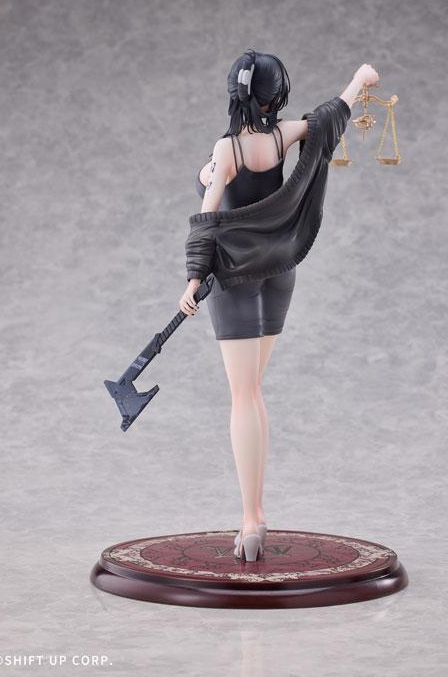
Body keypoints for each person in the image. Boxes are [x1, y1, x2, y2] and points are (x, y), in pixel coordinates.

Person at [179, 49, 379, 561]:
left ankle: (252, 520)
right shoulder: (282, 136)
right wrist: (359, 80)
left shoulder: (227, 150)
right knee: (253, 392)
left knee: (244, 395)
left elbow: (207, 218)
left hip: (238, 277)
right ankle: (256, 512)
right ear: (273, 97)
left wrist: (194, 277)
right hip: (280, 271)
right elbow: (330, 116)